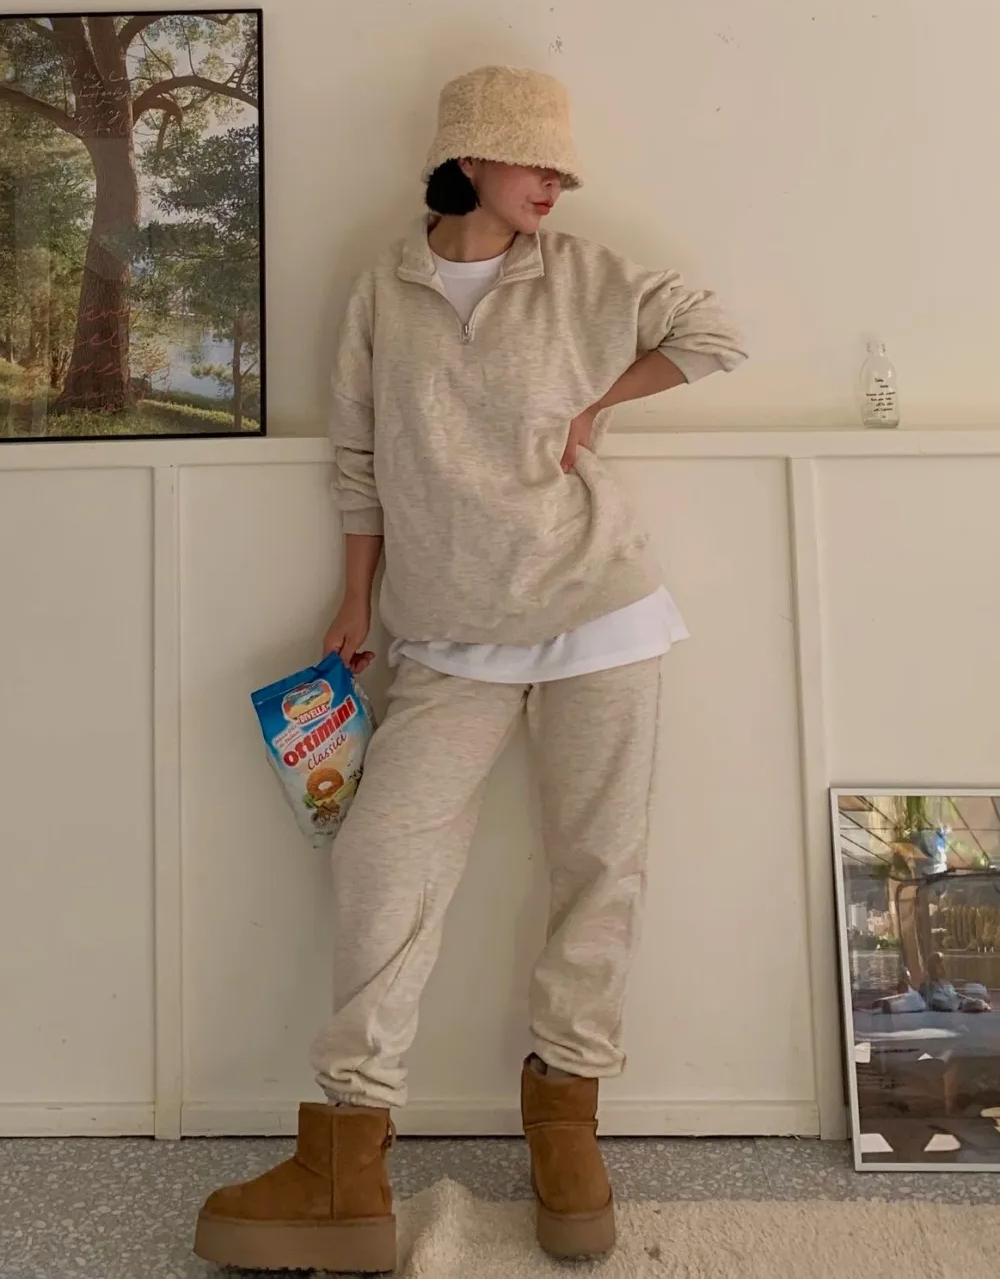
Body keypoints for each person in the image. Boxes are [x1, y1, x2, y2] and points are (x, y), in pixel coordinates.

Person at [194, 65, 746, 1274]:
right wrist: (356, 598)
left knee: (598, 866)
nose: (556, 184)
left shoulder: (586, 273)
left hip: (600, 611)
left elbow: (716, 333)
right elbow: (356, 456)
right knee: (383, 862)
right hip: (446, 631)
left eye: (562, 169)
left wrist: (597, 403)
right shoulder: (382, 289)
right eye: (536, 161)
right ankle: (346, 1153)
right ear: (471, 157)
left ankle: (566, 1120)